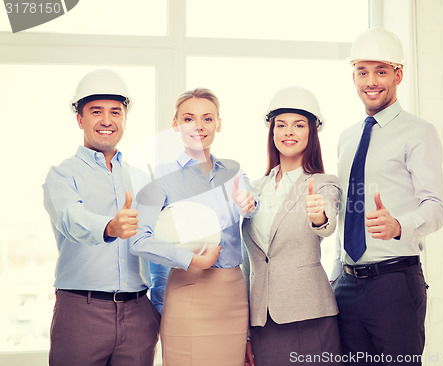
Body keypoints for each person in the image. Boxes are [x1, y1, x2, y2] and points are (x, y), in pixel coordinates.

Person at [331, 27, 443, 366]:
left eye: (381, 71)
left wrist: (399, 225)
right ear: (353, 76)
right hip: (347, 284)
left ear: (398, 74)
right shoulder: (347, 137)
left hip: (394, 284)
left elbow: (436, 208)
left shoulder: (419, 133)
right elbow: (346, 210)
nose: (371, 81)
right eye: (362, 72)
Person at [130, 88, 258, 366]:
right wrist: (191, 260)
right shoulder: (161, 176)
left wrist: (248, 204)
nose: (198, 126)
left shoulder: (234, 173)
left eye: (207, 118)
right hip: (189, 292)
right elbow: (139, 239)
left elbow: (252, 205)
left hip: (233, 296)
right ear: (175, 125)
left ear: (218, 124)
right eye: (189, 118)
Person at [43, 69, 160, 366]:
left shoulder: (140, 177)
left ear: (124, 119)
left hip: (138, 313)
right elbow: (71, 218)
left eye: (115, 112)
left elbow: (159, 240)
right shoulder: (62, 174)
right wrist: (110, 227)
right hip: (82, 311)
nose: (107, 120)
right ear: (80, 118)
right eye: (96, 111)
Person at [241, 86, 343, 366]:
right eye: (281, 125)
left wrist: (319, 216)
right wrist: (246, 332)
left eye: (298, 125)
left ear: (311, 133)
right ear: (271, 132)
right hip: (263, 320)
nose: (289, 132)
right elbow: (247, 261)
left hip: (309, 314)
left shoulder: (323, 183)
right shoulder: (254, 189)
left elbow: (328, 223)